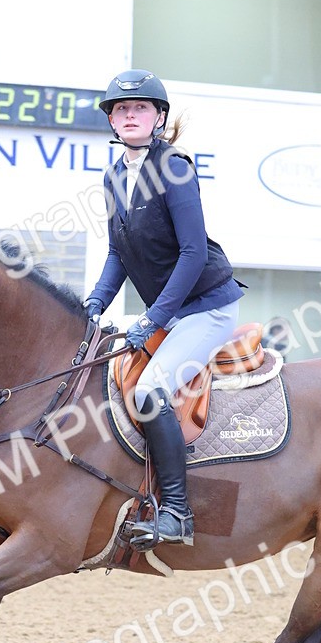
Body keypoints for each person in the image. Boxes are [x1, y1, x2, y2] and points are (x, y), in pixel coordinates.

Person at [84, 70, 244, 546]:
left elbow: (193, 253)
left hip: (207, 307)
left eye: (141, 108)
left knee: (150, 389)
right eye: (121, 109)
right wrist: (94, 302)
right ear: (112, 121)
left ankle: (176, 512)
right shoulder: (113, 176)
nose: (130, 115)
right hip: (171, 313)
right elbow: (118, 252)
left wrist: (152, 318)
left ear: (158, 117)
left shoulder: (175, 167)